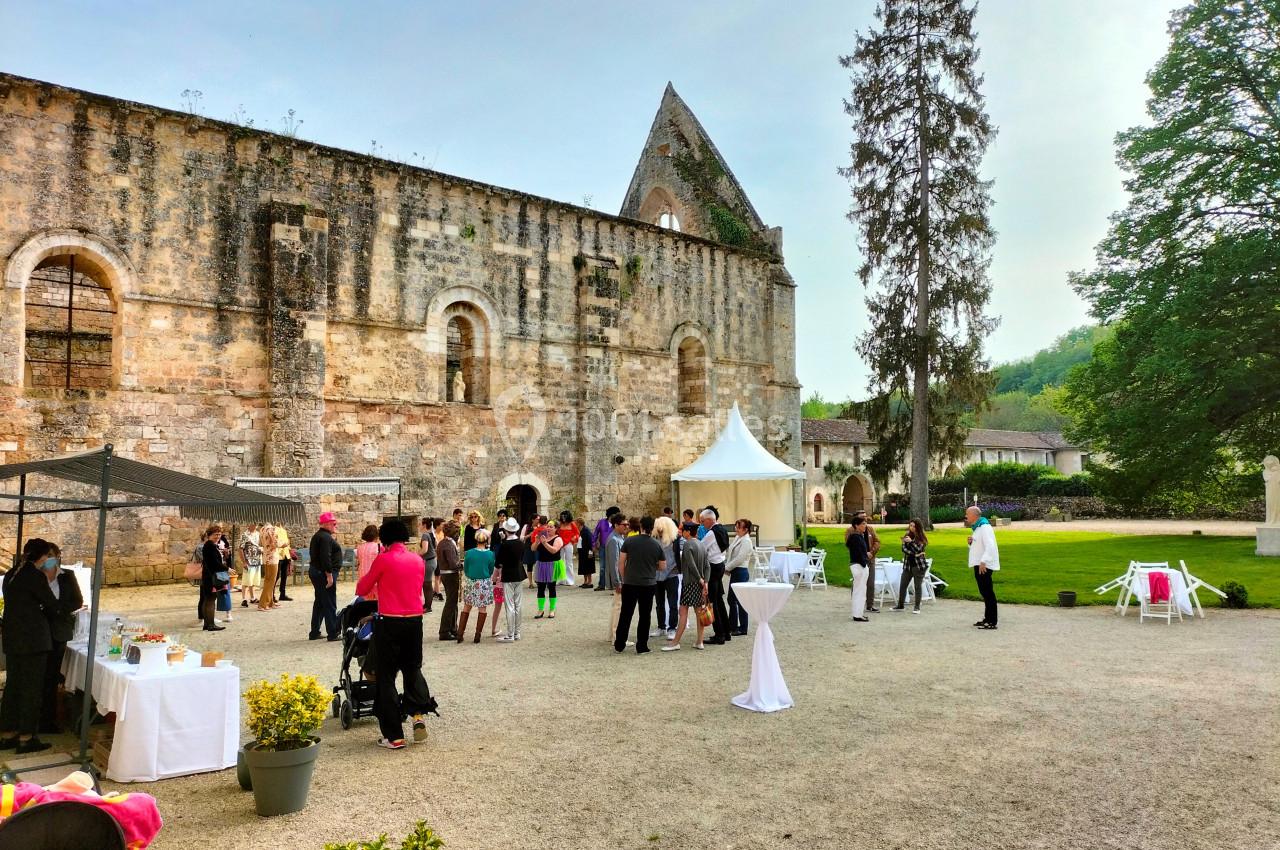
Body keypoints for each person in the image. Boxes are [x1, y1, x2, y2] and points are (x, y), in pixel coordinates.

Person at [354, 519, 433, 749]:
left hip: (390, 621)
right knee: (412, 669)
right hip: (414, 621)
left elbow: (362, 588)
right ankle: (417, 714)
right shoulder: (417, 560)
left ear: (385, 539)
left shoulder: (384, 559)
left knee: (386, 677)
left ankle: (394, 735)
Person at [0, 539, 60, 753]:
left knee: (13, 686)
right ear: (43, 556)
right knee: (31, 689)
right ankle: (27, 736)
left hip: (13, 637)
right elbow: (52, 604)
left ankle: (7, 733)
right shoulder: (34, 575)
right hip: (33, 639)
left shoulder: (11, 574)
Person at [39, 543, 83, 734]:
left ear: (58, 556)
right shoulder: (36, 576)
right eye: (46, 555)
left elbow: (77, 601)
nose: (49, 558)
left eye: (52, 555)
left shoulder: (67, 576)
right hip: (38, 632)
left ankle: (48, 720)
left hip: (59, 631)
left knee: (52, 676)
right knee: (39, 677)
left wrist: (59, 610)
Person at [615, 516, 664, 654]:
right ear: (652, 528)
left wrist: (624, 577)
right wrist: (652, 567)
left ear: (641, 526)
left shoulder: (629, 541)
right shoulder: (656, 544)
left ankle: (620, 643)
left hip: (630, 582)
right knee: (645, 615)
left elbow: (621, 562)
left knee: (626, 613)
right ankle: (642, 645)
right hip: (648, 583)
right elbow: (662, 566)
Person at [663, 522, 708, 652]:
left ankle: (676, 642)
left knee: (683, 612)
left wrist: (699, 578)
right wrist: (705, 581)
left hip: (689, 582)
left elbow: (691, 564)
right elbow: (707, 566)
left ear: (688, 531)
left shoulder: (688, 544)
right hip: (699, 583)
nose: (681, 532)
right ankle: (699, 641)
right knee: (699, 612)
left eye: (683, 530)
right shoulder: (701, 544)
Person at [308, 512, 342, 642]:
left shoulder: (319, 536)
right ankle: (332, 633)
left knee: (320, 602)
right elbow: (325, 557)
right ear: (326, 524)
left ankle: (314, 632)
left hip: (317, 571)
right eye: (333, 523)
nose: (335, 526)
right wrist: (329, 575)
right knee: (329, 603)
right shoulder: (325, 537)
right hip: (323, 573)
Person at [699, 509, 732, 644]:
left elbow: (701, 547)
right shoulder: (722, 529)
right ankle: (726, 631)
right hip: (720, 565)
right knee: (719, 599)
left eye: (702, 521)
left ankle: (719, 635)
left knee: (713, 602)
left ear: (709, 519)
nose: (702, 524)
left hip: (713, 567)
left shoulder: (711, 533)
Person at [966, 506, 1000, 629]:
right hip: (979, 563)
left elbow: (990, 545)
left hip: (983, 565)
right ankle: (987, 618)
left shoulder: (984, 527)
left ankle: (992, 621)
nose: (966, 516)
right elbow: (980, 545)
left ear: (974, 515)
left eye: (967, 514)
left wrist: (984, 561)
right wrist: (971, 542)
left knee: (987, 592)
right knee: (984, 592)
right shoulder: (978, 527)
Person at [458, 529, 495, 643]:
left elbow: (466, 568)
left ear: (476, 540)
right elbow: (490, 569)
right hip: (484, 582)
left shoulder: (469, 553)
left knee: (467, 607)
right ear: (486, 541)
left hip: (471, 581)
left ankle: (460, 633)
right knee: (482, 608)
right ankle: (477, 635)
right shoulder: (490, 554)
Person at [494, 518, 526, 642]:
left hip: (508, 575)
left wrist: (494, 576)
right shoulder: (520, 543)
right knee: (518, 604)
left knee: (509, 605)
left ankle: (510, 634)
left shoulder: (504, 545)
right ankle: (517, 633)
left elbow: (498, 562)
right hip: (519, 574)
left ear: (506, 530)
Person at [651, 516, 680, 640]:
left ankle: (672, 628)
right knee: (659, 603)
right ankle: (661, 627)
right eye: (658, 530)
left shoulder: (675, 540)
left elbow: (680, 556)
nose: (660, 532)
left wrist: (678, 568)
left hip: (671, 575)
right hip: (657, 576)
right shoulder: (654, 539)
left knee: (673, 603)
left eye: (662, 530)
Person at [725, 518, 754, 635]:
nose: (736, 529)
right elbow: (731, 552)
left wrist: (727, 567)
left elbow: (740, 558)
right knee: (732, 599)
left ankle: (742, 627)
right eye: (736, 526)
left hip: (741, 571)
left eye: (738, 527)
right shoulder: (738, 538)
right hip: (736, 570)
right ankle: (732, 625)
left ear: (745, 529)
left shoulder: (746, 541)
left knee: (740, 600)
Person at [892, 519, 928, 614]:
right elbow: (903, 549)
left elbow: (918, 549)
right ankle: (900, 605)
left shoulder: (921, 537)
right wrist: (913, 554)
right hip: (908, 565)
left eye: (914, 526)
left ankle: (917, 607)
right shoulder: (907, 535)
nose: (911, 527)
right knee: (903, 585)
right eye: (910, 525)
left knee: (917, 586)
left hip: (918, 566)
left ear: (918, 527)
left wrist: (911, 542)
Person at [603, 514, 628, 642]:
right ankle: (616, 637)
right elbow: (614, 563)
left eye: (627, 524)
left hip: (621, 579)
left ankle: (611, 635)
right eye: (624, 524)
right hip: (620, 580)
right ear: (616, 525)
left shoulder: (618, 538)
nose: (626, 527)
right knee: (619, 608)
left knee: (616, 607)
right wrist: (618, 582)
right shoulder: (614, 540)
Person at [436, 521, 462, 641]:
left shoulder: (443, 543)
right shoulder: (448, 544)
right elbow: (453, 564)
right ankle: (445, 631)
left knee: (452, 603)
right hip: (450, 575)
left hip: (446, 574)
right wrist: (462, 565)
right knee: (451, 603)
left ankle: (452, 628)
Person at [532, 525, 565, 619]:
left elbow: (554, 550)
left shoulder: (558, 539)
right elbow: (533, 549)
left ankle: (552, 610)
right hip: (541, 565)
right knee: (540, 587)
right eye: (548, 526)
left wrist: (545, 543)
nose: (548, 528)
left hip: (552, 565)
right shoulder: (543, 537)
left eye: (551, 527)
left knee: (551, 587)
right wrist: (537, 541)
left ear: (556, 529)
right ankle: (540, 610)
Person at [200, 525, 228, 631]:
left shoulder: (210, 545)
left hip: (208, 576)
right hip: (211, 577)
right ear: (209, 535)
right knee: (210, 600)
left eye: (219, 534)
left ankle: (207, 624)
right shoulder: (210, 546)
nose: (218, 536)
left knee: (207, 600)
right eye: (215, 534)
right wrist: (227, 568)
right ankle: (211, 625)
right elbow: (214, 563)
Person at [854, 511, 882, 613]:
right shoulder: (852, 531)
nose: (865, 518)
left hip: (870, 560)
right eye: (862, 517)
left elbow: (877, 541)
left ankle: (870, 605)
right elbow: (852, 546)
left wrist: (872, 552)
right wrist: (864, 553)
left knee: (870, 583)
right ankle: (856, 605)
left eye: (865, 517)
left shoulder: (870, 529)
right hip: (859, 561)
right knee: (858, 583)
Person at [846, 516, 871, 622]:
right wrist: (865, 561)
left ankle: (858, 613)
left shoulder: (857, 536)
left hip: (858, 564)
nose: (865, 526)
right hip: (859, 565)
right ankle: (858, 614)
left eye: (865, 523)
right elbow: (859, 553)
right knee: (860, 591)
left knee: (859, 590)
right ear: (856, 525)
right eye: (863, 524)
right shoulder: (856, 537)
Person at [355, 524, 383, 602]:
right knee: (377, 603)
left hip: (362, 578)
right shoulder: (379, 547)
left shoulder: (359, 548)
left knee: (366, 602)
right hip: (375, 579)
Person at [239, 523, 262, 608]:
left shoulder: (258, 534)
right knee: (246, 580)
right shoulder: (245, 535)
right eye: (253, 524)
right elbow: (240, 549)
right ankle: (244, 599)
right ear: (248, 525)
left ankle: (252, 598)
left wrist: (261, 549)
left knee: (253, 580)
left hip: (257, 560)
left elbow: (260, 545)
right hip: (248, 561)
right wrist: (244, 562)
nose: (255, 525)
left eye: (256, 524)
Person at [258, 523, 280, 610]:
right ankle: (263, 604)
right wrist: (285, 543)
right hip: (272, 557)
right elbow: (275, 544)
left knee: (268, 580)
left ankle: (270, 602)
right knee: (271, 581)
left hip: (266, 556)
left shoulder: (262, 529)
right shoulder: (272, 529)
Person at [419, 517, 437, 613]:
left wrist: (415, 554)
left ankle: (428, 606)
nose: (419, 526)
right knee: (427, 584)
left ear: (424, 525)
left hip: (429, 562)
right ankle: (426, 604)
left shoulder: (425, 535)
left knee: (427, 585)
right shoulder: (431, 534)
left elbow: (424, 550)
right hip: (432, 561)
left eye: (420, 524)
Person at [557, 511, 579, 586]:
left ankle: (570, 580)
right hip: (560, 544)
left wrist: (574, 538)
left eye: (565, 516)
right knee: (560, 561)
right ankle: (561, 580)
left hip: (569, 544)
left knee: (569, 562)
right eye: (562, 516)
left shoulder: (572, 524)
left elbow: (577, 533)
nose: (563, 518)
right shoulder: (560, 524)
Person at [275, 524, 294, 602]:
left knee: (284, 575)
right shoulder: (274, 530)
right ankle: (272, 595)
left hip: (286, 555)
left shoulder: (284, 530)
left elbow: (287, 543)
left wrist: (289, 553)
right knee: (276, 576)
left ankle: (282, 594)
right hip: (278, 555)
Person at [576, 516, 596, 589]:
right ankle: (585, 581)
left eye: (576, 523)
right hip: (582, 552)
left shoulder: (586, 531)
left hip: (588, 552)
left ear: (579, 524)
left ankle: (589, 582)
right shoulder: (581, 531)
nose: (575, 524)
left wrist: (590, 553)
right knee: (583, 567)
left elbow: (590, 543)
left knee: (588, 567)